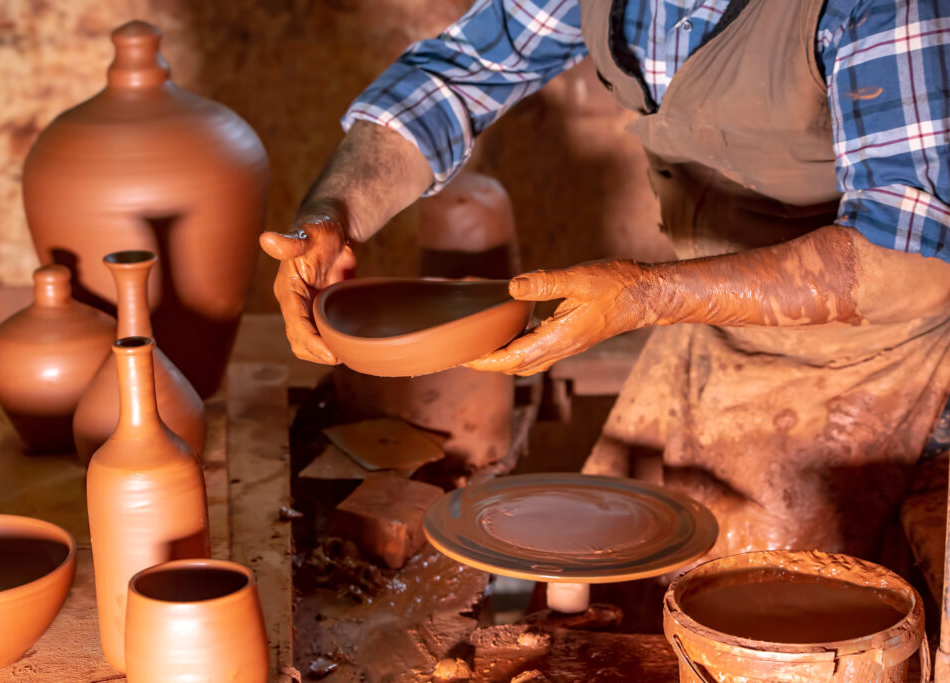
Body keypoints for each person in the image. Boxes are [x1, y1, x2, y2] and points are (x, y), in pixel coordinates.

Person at [261, 0, 950, 562]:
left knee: (764, 622)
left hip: (879, 356)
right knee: (613, 586)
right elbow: (458, 74)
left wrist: (649, 295)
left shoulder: (884, 7)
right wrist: (334, 213)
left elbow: (914, 261)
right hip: (702, 321)